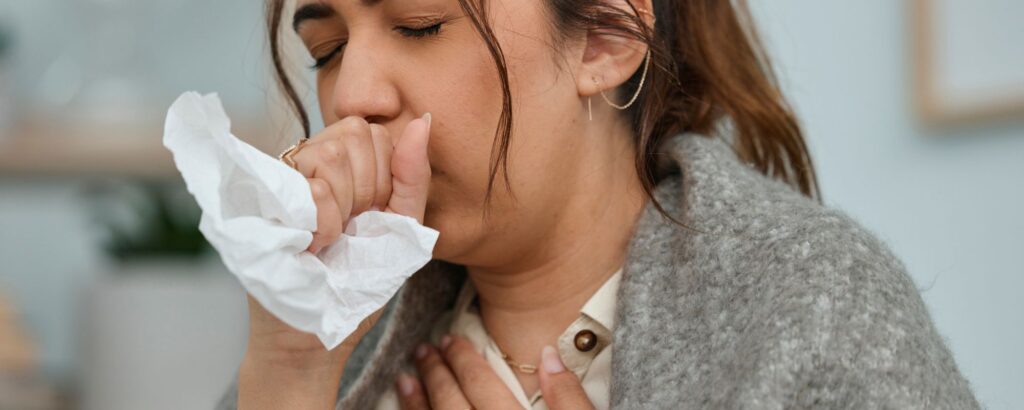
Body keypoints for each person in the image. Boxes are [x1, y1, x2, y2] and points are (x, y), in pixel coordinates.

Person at [220, 0, 980, 408]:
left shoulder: (816, 304)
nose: (350, 94)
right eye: (328, 49)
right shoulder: (337, 331)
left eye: (420, 25)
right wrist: (289, 377)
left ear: (605, 41)